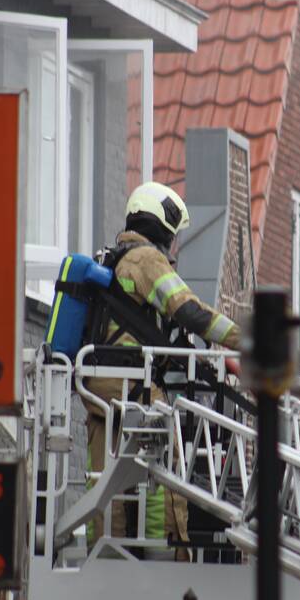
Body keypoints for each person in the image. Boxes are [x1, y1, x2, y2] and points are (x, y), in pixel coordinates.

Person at [85, 181, 240, 557]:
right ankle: (167, 545)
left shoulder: (117, 256)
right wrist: (244, 340)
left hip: (99, 379)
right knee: (162, 461)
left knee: (106, 469)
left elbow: (158, 332)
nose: (173, 247)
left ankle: (107, 547)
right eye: (173, 236)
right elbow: (187, 309)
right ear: (160, 225)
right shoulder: (144, 259)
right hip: (130, 381)